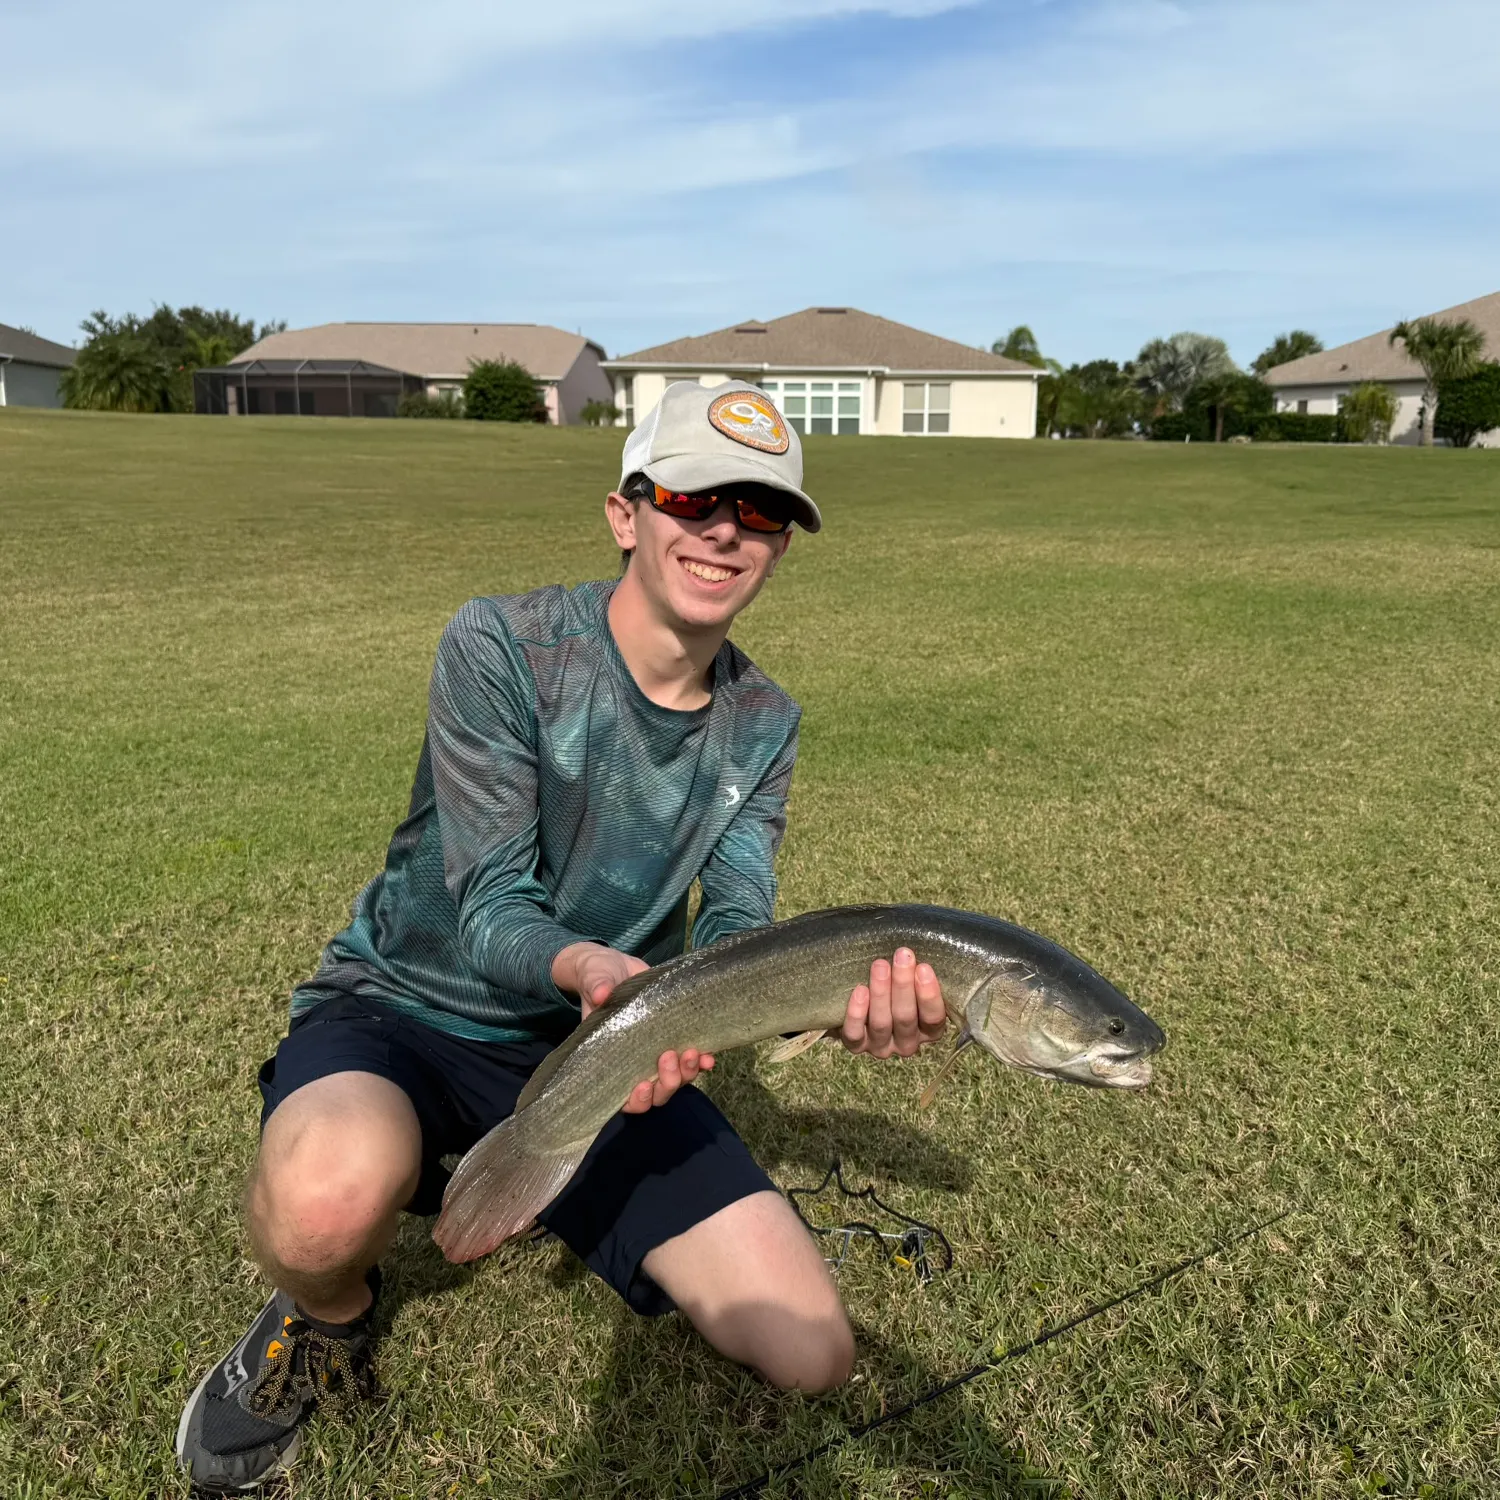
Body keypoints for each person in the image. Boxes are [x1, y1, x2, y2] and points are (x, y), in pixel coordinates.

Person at [176, 379, 950, 1491]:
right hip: (411, 1007)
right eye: (693, 495)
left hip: (614, 1039)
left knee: (813, 1350)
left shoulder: (765, 722)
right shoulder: (505, 645)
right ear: (627, 513)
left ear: (780, 547)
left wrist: (821, 1005)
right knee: (321, 1206)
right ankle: (328, 1313)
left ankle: (531, 1165)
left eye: (763, 511)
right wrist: (594, 970)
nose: (726, 527)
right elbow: (490, 904)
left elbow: (736, 917)